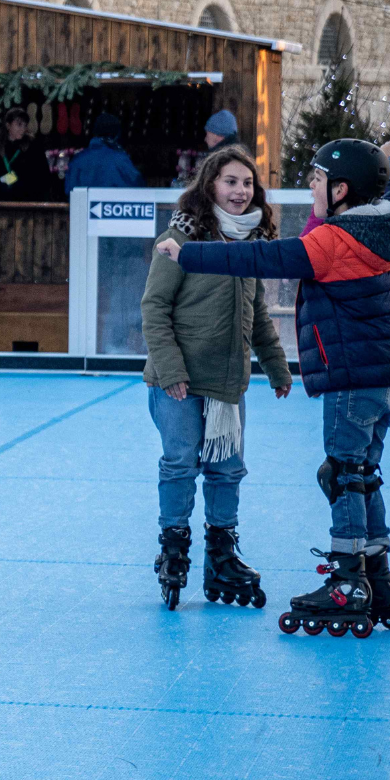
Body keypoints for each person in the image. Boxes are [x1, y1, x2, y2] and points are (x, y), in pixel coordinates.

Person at [159, 136, 390, 637]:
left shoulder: (333, 242)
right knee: (365, 471)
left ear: (341, 190)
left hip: (351, 378)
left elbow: (259, 260)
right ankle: (377, 575)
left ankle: (348, 580)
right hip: (389, 374)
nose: (310, 186)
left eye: (318, 181)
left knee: (343, 473)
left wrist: (186, 255)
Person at [140, 146, 292, 611]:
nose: (240, 191)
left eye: (247, 183)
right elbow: (154, 307)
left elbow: (257, 314)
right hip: (179, 381)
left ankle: (222, 556)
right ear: (210, 186)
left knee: (227, 470)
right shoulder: (181, 237)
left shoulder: (250, 245)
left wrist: (276, 364)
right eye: (230, 182)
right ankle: (174, 547)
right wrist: (171, 370)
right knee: (181, 462)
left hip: (228, 381)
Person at [0, 108, 60, 202]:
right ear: (8, 125)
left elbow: (43, 177)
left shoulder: (33, 147)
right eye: (19, 124)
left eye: (25, 125)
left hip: (27, 200)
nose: (23, 129)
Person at [64, 113, 143, 190]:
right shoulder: (121, 160)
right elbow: (138, 187)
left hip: (83, 203)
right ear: (116, 134)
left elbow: (69, 190)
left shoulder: (77, 160)